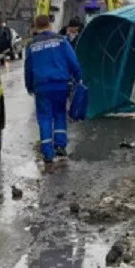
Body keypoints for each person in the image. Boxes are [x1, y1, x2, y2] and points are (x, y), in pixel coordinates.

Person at [24, 14, 82, 164]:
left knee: (44, 117)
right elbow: (73, 60)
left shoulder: (31, 45)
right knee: (60, 114)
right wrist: (78, 76)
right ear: (49, 25)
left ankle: (48, 153)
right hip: (60, 85)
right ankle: (61, 146)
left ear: (36, 27)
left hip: (42, 87)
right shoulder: (61, 40)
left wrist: (30, 86)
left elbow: (28, 68)